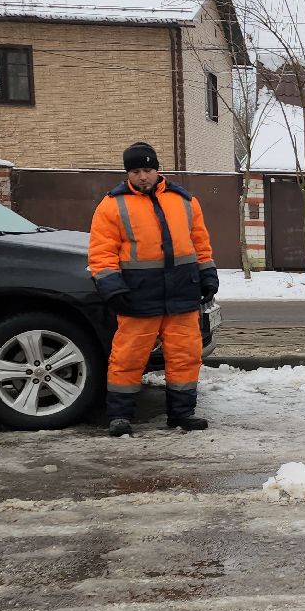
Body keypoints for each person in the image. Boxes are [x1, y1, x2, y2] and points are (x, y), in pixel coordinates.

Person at [87, 141, 219, 435]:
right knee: (128, 357)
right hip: (137, 296)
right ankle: (120, 416)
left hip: (182, 294)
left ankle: (182, 414)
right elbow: (101, 253)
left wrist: (208, 275)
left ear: (157, 169)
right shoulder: (112, 206)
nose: (142, 176)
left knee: (185, 356)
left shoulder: (185, 201)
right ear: (127, 174)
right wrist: (112, 288)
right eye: (136, 171)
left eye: (147, 169)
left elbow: (200, 244)